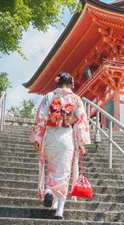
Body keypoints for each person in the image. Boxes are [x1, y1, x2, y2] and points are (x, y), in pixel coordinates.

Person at [30, 72, 91, 219]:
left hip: (50, 137)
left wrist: (38, 139)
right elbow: (81, 121)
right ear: (71, 84)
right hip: (66, 138)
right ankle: (59, 210)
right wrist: (81, 142)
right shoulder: (76, 99)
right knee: (63, 173)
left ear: (57, 83)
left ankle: (49, 192)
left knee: (52, 169)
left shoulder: (49, 97)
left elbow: (41, 117)